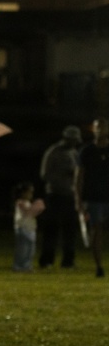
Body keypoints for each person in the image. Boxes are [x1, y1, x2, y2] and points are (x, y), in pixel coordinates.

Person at [38, 125, 82, 269]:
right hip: (55, 195)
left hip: (70, 196)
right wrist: (64, 175)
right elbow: (45, 174)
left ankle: (68, 261)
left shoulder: (75, 153)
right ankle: (47, 260)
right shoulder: (53, 152)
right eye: (73, 140)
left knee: (70, 231)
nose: (74, 143)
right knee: (51, 229)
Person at [75, 118, 109, 277]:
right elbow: (79, 177)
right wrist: (78, 200)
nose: (100, 130)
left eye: (103, 127)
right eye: (98, 127)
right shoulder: (86, 151)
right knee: (97, 231)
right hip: (94, 198)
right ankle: (99, 266)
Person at [13, 181, 45, 272]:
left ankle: (26, 265)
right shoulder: (20, 202)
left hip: (30, 229)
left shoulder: (28, 203)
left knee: (30, 250)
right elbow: (27, 212)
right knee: (23, 248)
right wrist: (36, 206)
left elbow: (32, 214)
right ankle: (18, 266)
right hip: (22, 229)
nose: (31, 194)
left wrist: (39, 209)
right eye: (29, 192)